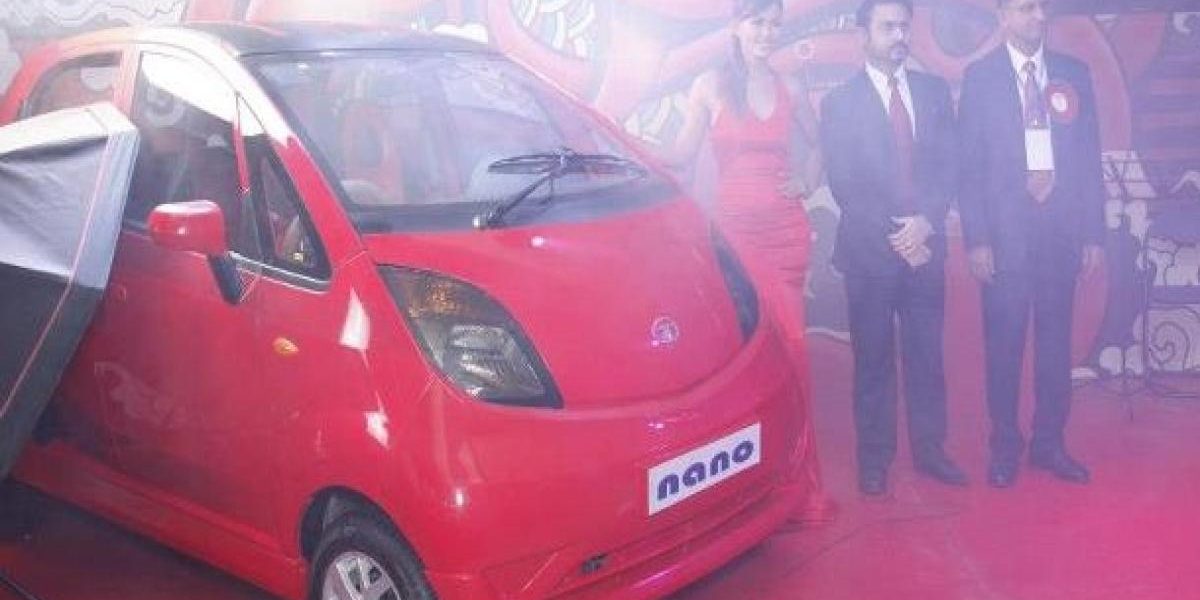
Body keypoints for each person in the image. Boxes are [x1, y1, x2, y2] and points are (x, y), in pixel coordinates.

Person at [663, 0, 828, 519]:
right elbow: (681, 154)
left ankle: (797, 483)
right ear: (736, 27)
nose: (767, 33)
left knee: (793, 353)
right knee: (748, 361)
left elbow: (820, 145)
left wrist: (808, 180)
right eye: (758, 22)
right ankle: (752, 485)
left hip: (786, 235)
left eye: (775, 25)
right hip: (736, 242)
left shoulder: (790, 85)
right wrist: (616, 139)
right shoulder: (710, 85)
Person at [957, 0, 1105, 488]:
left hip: (1061, 233)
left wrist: (1093, 233)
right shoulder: (980, 78)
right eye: (1025, 8)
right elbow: (969, 166)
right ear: (1003, 16)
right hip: (1004, 237)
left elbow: (1088, 158)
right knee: (1004, 346)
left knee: (1055, 346)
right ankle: (1005, 446)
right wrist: (977, 239)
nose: (1039, 16)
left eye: (1042, 7)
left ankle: (1049, 443)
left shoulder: (1072, 73)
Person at [820, 0, 964, 496]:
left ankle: (931, 449)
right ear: (864, 34)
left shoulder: (933, 91)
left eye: (904, 26)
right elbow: (845, 183)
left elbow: (949, 165)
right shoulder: (839, 102)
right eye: (888, 27)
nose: (899, 35)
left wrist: (926, 222)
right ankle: (875, 458)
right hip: (869, 255)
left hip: (925, 248)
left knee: (927, 356)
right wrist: (901, 236)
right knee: (874, 361)